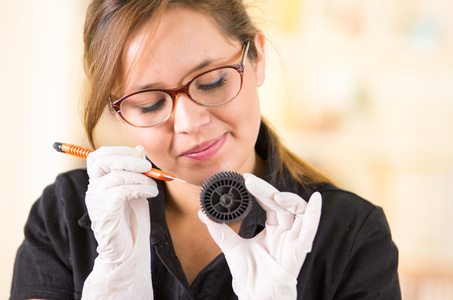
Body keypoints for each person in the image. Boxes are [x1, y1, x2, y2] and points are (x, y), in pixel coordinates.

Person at [10, 0, 401, 299]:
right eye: (149, 103)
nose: (189, 123)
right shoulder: (64, 215)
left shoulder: (352, 235)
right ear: (120, 111)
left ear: (258, 58)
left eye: (212, 81)